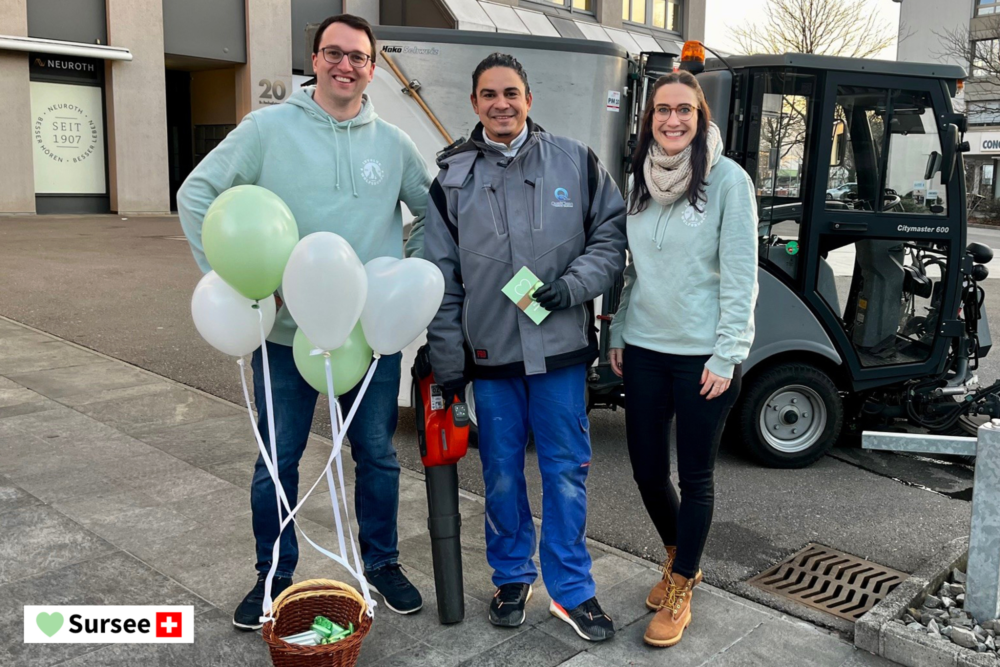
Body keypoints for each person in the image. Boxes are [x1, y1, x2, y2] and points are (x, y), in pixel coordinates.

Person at [178, 14, 430, 629]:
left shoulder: (393, 144)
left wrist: (401, 276)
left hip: (367, 339)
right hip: (283, 338)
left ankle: (383, 563)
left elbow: (433, 216)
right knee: (277, 460)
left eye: (359, 57)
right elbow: (196, 195)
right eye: (333, 53)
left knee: (376, 455)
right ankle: (272, 575)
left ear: (373, 68)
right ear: (314, 60)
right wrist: (243, 285)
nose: (346, 65)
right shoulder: (267, 129)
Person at [424, 52, 627, 642]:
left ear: (529, 99)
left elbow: (610, 239)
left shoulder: (576, 161)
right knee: (502, 476)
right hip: (490, 362)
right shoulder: (452, 180)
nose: (501, 103)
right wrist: (447, 360)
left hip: (559, 354)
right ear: (474, 104)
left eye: (511, 93)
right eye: (489, 94)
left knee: (566, 473)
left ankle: (572, 590)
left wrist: (570, 289)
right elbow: (441, 275)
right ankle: (512, 574)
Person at [608, 70, 758, 648]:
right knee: (647, 470)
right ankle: (681, 560)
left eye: (684, 111)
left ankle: (681, 587)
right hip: (645, 348)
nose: (672, 120)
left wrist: (728, 354)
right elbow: (632, 269)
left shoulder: (728, 181)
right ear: (649, 119)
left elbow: (742, 278)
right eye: (661, 110)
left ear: (701, 118)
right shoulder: (640, 180)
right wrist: (620, 327)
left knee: (695, 477)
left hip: (704, 359)